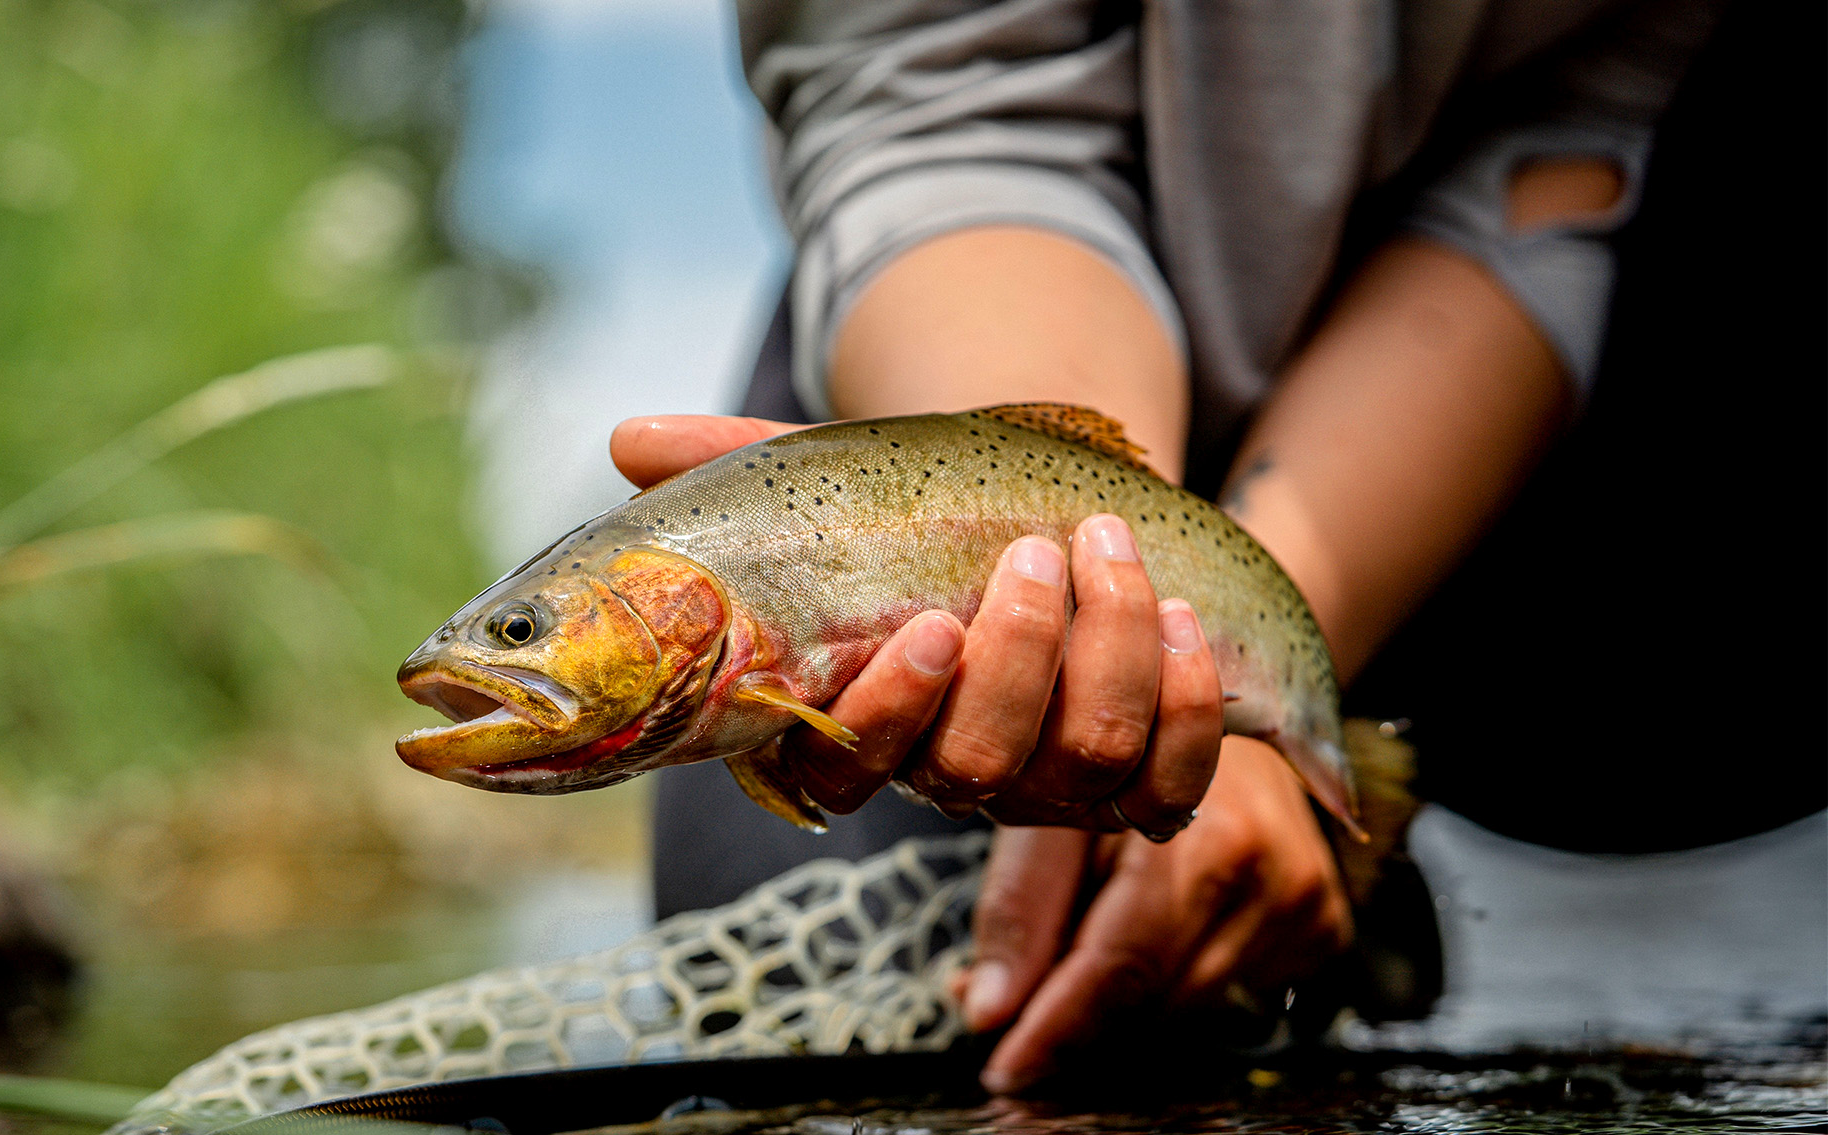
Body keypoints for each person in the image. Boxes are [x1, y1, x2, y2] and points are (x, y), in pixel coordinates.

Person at [612, 0, 1824, 1096]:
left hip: (1591, 423)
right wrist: (1097, 620)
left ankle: (1337, 818)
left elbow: (1560, 160)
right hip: (952, 311)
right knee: (781, 1023)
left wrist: (1231, 679)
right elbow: (940, 113)